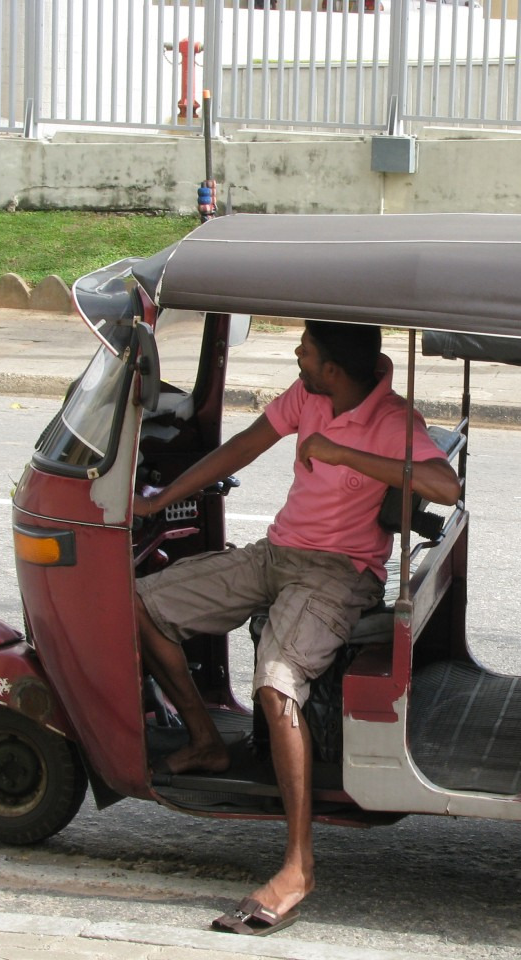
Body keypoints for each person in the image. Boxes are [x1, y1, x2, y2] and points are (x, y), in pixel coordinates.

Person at [133, 319, 460, 937]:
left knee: (277, 684)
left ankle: (298, 864)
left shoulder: (394, 420)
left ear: (332, 366)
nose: (296, 354)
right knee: (139, 603)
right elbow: (245, 446)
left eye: (305, 350)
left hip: (339, 573)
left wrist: (344, 453)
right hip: (277, 554)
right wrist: (163, 496)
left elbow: (446, 483)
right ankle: (204, 738)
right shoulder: (308, 396)